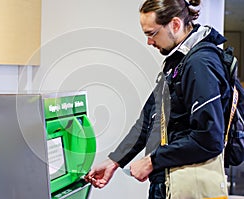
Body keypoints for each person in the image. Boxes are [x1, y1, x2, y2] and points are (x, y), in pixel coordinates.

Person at [84, 0, 231, 198]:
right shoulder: (178, 61)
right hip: (167, 181)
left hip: (184, 185)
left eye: (152, 33)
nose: (149, 42)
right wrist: (114, 161)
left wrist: (152, 161)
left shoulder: (201, 63)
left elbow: (209, 138)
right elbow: (148, 119)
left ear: (175, 24)